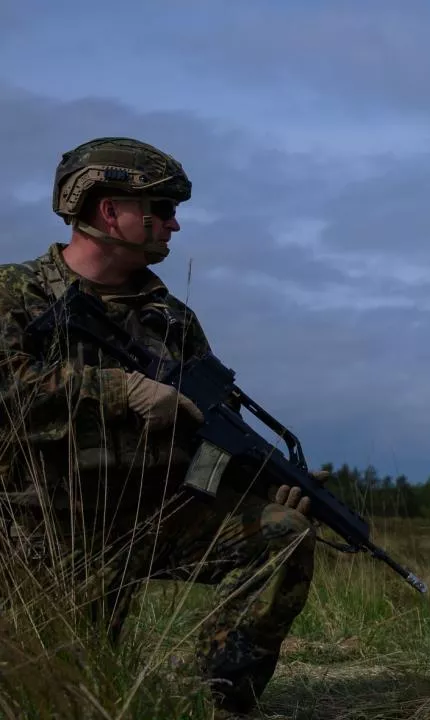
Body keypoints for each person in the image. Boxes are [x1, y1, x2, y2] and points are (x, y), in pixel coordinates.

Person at [0, 137, 322, 714]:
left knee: (284, 531)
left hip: (150, 523)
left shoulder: (172, 318)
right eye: (163, 210)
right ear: (108, 210)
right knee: (58, 695)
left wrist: (252, 483)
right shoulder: (15, 295)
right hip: (37, 540)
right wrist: (119, 389)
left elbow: (205, 433)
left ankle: (213, 701)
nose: (174, 226)